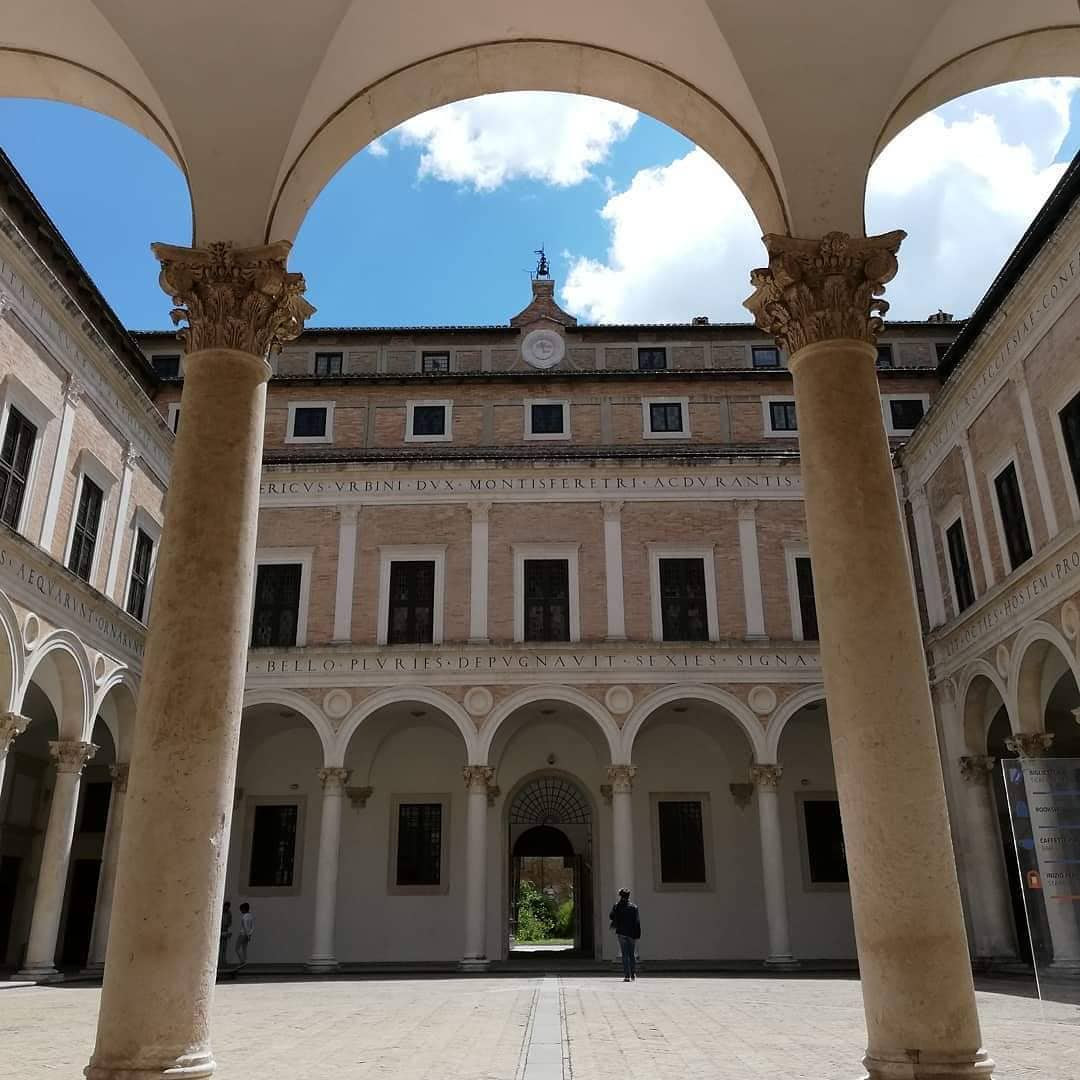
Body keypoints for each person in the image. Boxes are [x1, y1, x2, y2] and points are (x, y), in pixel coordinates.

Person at [609, 888, 641, 982]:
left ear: (621, 896)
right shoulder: (634, 907)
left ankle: (626, 975)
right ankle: (633, 975)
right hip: (631, 933)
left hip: (621, 933)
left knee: (624, 955)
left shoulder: (617, 906)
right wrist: (638, 934)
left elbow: (611, 916)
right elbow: (637, 922)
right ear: (628, 896)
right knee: (632, 955)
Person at [219, 901, 232, 967]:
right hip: (219, 930)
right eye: (226, 906)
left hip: (225, 930)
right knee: (219, 946)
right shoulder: (220, 911)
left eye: (228, 906)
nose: (227, 907)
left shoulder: (229, 913)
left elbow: (230, 922)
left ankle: (223, 961)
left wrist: (228, 930)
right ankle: (219, 961)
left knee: (224, 947)